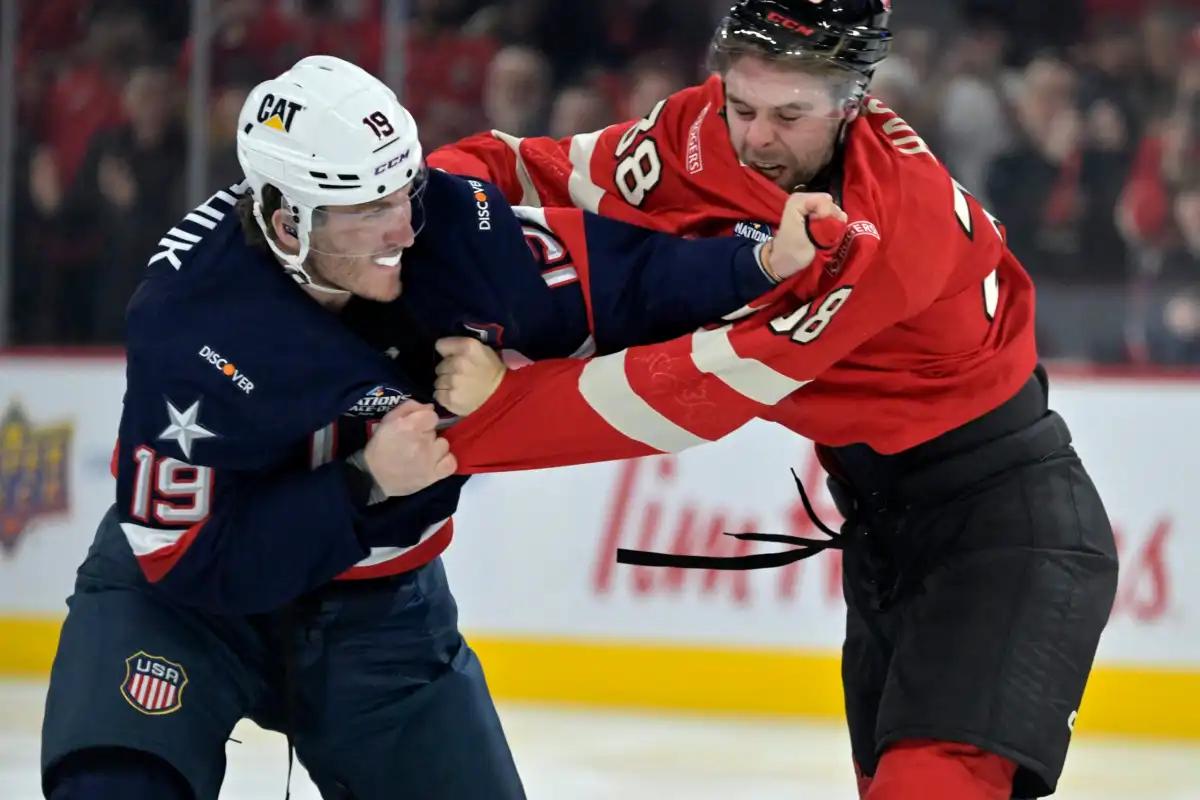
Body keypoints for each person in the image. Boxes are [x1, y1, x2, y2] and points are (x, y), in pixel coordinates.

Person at [39, 55, 839, 800]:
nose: (403, 227)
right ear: (288, 223)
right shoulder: (186, 321)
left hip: (383, 622)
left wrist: (762, 261)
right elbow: (185, 559)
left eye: (403, 191)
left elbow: (623, 279)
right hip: (189, 613)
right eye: (368, 206)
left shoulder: (452, 223)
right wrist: (364, 483)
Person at [428, 2, 1119, 798]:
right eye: (742, 105)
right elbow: (541, 169)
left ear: (852, 105)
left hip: (1006, 527)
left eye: (790, 115)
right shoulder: (699, 131)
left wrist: (489, 415)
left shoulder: (887, 229)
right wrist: (414, 206)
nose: (755, 138)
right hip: (884, 525)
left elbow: (699, 391)